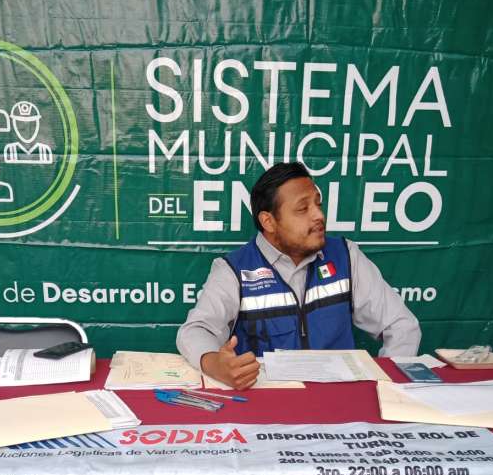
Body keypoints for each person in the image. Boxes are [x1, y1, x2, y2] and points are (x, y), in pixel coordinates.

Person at [176, 162, 421, 388]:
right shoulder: (233, 269)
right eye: (303, 208)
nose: (319, 216)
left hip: (341, 402)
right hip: (267, 403)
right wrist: (214, 363)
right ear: (268, 222)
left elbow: (402, 326)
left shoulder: (346, 255)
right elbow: (195, 330)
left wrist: (387, 388)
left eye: (318, 204)